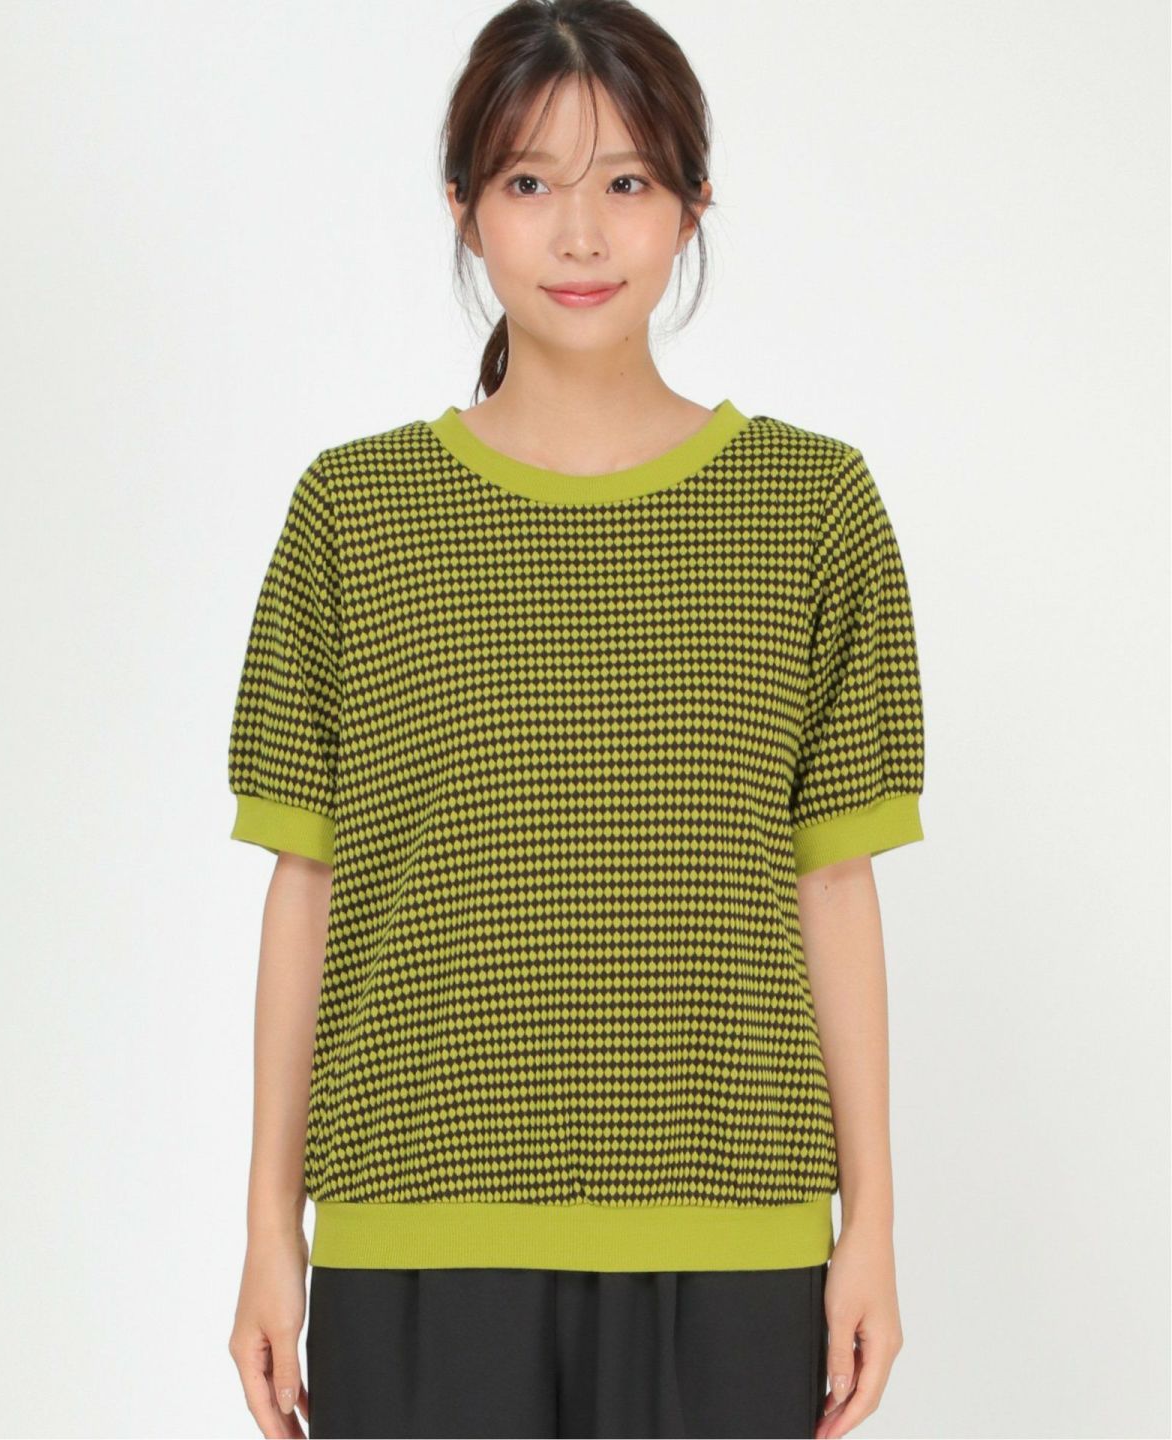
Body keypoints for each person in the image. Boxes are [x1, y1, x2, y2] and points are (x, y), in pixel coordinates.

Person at [224, 2, 925, 1436]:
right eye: (531, 182)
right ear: (466, 209)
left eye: (629, 180)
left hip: (732, 1227)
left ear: (693, 203)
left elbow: (835, 881)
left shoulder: (814, 507)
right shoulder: (354, 513)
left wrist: (872, 1224)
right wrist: (267, 1236)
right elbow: (308, 883)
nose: (582, 233)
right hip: (415, 1223)